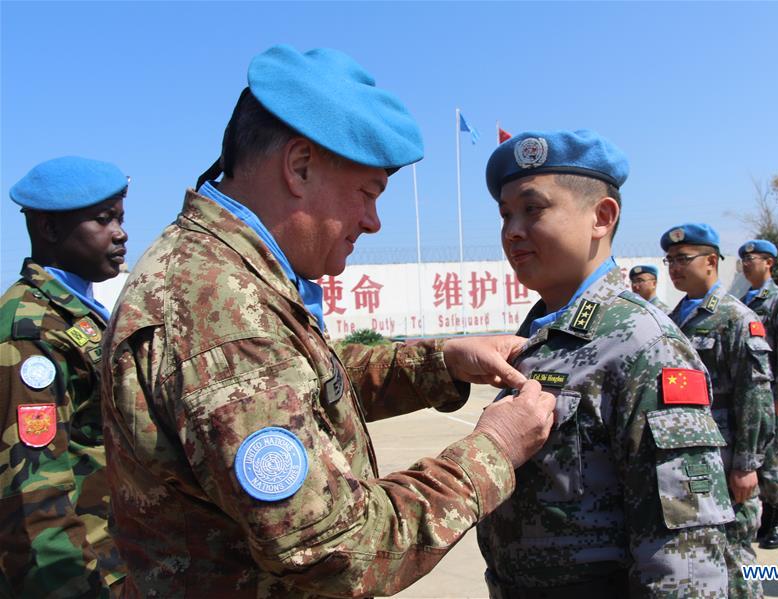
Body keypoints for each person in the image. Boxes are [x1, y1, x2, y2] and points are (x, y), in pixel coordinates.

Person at [100, 45, 556, 597]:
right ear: (299, 167)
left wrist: (442, 361)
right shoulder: (220, 313)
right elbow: (338, 551)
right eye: (367, 193)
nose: (373, 221)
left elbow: (305, 382)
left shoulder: (224, 276)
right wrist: (494, 451)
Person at [475, 130, 732, 597]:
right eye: (505, 214)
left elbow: (687, 553)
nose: (512, 230)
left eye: (533, 209)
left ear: (601, 216)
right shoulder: (542, 336)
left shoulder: (643, 343)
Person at [0, 156, 129, 597]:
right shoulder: (30, 331)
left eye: (120, 218)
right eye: (102, 219)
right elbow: (31, 490)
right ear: (50, 230)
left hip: (116, 557)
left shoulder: (78, 313)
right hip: (84, 570)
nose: (120, 232)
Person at [662, 223, 775, 599]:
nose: (674, 268)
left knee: (734, 554)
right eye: (670, 260)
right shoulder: (674, 319)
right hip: (690, 458)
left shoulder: (736, 319)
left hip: (726, 462)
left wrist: (746, 464)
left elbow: (755, 397)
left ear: (711, 261)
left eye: (683, 259)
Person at [737, 240, 778, 550]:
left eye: (753, 259)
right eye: (744, 260)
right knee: (754, 456)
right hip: (749, 395)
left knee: (776, 459)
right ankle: (762, 517)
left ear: (769, 263)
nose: (747, 264)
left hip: (773, 394)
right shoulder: (740, 300)